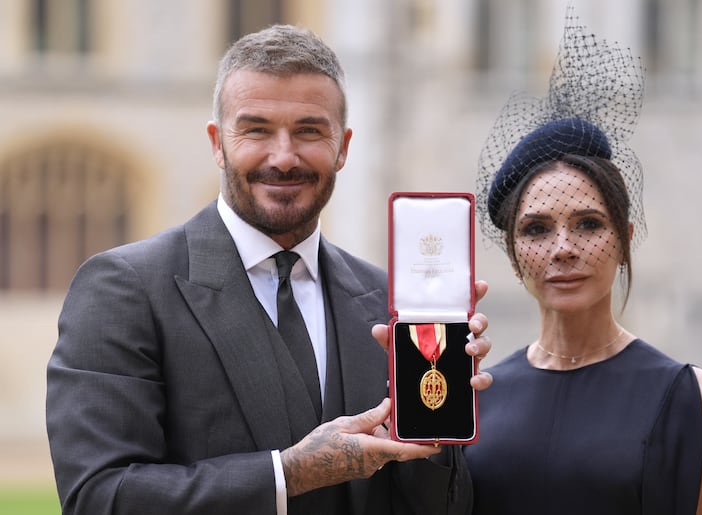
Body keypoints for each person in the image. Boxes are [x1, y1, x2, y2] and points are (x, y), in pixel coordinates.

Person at [46, 24, 492, 515]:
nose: (284, 157)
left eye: (308, 131)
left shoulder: (386, 301)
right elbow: (98, 498)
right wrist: (287, 475)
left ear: (343, 147)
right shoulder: (125, 289)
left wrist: (439, 418)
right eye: (256, 129)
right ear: (217, 143)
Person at [463, 12, 702, 515]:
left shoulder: (697, 402)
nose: (563, 248)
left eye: (589, 224)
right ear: (512, 255)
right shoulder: (475, 399)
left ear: (624, 240)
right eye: (536, 229)